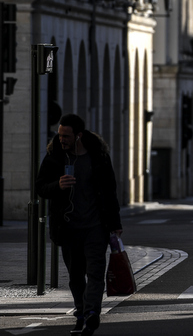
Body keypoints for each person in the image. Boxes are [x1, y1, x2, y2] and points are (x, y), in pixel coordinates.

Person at [36, 114, 122, 336]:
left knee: (95, 271)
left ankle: (92, 313)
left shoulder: (98, 156)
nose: (61, 139)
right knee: (75, 276)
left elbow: (110, 191)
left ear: (79, 135)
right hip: (68, 227)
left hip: (95, 226)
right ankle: (82, 314)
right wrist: (58, 185)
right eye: (60, 134)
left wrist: (115, 223)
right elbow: (41, 187)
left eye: (66, 136)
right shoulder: (54, 157)